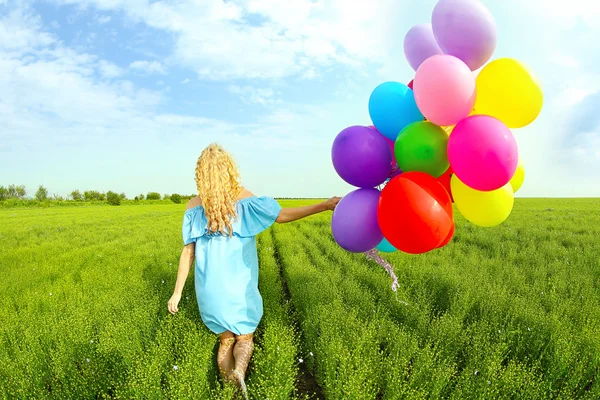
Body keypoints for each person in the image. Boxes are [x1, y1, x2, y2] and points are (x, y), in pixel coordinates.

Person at [167, 143, 340, 399]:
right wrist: (324, 205)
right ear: (229, 170)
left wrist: (177, 293)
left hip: (209, 288)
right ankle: (239, 370)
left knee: (225, 340)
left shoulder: (193, 206)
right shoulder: (243, 198)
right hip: (239, 285)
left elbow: (188, 253)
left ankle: (230, 391)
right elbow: (281, 216)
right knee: (244, 337)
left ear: (201, 174)